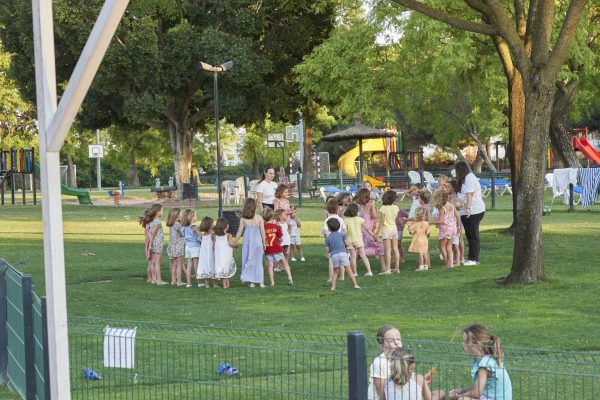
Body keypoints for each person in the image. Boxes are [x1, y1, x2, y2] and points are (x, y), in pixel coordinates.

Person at [447, 324, 512, 400]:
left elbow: (476, 394)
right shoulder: (486, 359)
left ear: (478, 345)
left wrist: (457, 396)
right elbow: (479, 388)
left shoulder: (485, 365)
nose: (463, 344)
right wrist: (461, 391)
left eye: (466, 342)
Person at [454, 161, 485, 265]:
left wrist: (468, 208)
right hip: (467, 211)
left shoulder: (469, 178)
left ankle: (474, 259)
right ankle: (472, 258)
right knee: (470, 234)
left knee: (472, 235)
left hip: (473, 211)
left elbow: (469, 195)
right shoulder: (465, 179)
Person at [234, 198, 266, 288]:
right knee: (258, 261)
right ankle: (260, 282)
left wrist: (235, 241)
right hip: (257, 241)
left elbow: (239, 231)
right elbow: (262, 232)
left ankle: (252, 281)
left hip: (248, 241)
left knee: (248, 259)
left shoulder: (243, 218)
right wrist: (264, 242)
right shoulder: (259, 218)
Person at [354, 188, 385, 271]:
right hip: (368, 229)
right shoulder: (370, 203)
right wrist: (375, 209)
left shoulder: (356, 204)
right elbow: (374, 216)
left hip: (359, 229)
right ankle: (383, 266)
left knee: (359, 246)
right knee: (378, 245)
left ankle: (350, 264)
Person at [368, 325, 403, 400]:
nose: (396, 343)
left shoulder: (404, 359)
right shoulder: (379, 363)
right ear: (382, 346)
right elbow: (381, 394)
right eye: (391, 341)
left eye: (398, 339)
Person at [324, 218, 360, 291]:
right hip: (343, 254)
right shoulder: (342, 235)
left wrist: (331, 250)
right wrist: (349, 246)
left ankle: (333, 287)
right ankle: (355, 285)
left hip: (334, 256)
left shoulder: (328, 238)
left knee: (335, 272)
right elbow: (347, 244)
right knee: (349, 270)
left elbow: (327, 250)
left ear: (329, 228)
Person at [262, 207, 294, 286]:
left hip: (268, 249)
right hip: (277, 248)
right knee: (284, 263)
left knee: (270, 265)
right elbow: (281, 237)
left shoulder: (262, 227)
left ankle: (272, 281)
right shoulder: (276, 226)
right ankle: (290, 277)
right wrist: (279, 241)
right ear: (272, 216)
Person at [343, 202, 376, 276]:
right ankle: (369, 271)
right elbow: (367, 228)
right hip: (359, 240)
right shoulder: (360, 219)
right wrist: (373, 235)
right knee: (363, 255)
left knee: (353, 257)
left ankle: (355, 273)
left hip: (350, 241)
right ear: (357, 211)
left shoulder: (345, 220)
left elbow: (344, 232)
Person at [138, 204, 166, 285]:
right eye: (162, 210)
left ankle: (154, 279)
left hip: (154, 244)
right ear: (157, 212)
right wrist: (150, 245)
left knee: (153, 262)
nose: (162, 212)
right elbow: (153, 234)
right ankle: (159, 280)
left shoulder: (152, 221)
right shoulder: (157, 222)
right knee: (157, 263)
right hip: (157, 244)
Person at [432, 191, 460, 269]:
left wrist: (430, 222)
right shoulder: (451, 205)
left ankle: (446, 263)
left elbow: (441, 220)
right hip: (452, 228)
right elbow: (456, 215)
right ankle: (451, 264)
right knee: (449, 246)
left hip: (445, 229)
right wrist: (458, 226)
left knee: (442, 247)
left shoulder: (442, 207)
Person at [377, 190, 401, 274]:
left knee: (387, 250)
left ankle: (387, 269)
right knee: (395, 249)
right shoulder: (396, 208)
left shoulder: (383, 208)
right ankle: (397, 268)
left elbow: (382, 221)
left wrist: (377, 232)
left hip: (386, 230)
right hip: (394, 229)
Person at [213, 217, 237, 289]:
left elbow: (213, 245)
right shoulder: (228, 235)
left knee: (223, 268)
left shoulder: (215, 236)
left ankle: (227, 283)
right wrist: (236, 245)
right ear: (226, 226)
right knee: (225, 268)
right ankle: (225, 285)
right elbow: (231, 244)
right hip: (226, 255)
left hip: (219, 255)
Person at [181, 209, 201, 288]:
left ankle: (189, 283)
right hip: (195, 247)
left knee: (189, 265)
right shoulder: (194, 226)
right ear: (192, 217)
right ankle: (199, 282)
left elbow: (182, 235)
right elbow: (201, 236)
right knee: (196, 265)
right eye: (195, 215)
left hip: (187, 247)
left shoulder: (184, 227)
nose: (196, 216)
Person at [408, 207, 431, 271]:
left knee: (420, 254)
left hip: (418, 240)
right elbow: (428, 233)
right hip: (425, 240)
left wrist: (409, 228)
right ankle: (426, 265)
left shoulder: (415, 224)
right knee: (425, 253)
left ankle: (421, 266)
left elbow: (411, 232)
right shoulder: (426, 223)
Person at [166, 208, 185, 286]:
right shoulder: (177, 224)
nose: (182, 214)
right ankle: (179, 282)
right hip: (178, 247)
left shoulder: (172, 224)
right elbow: (182, 234)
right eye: (181, 213)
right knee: (179, 264)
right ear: (177, 215)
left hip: (171, 247)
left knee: (173, 264)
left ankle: (173, 280)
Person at [196, 217, 216, 288]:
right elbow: (214, 244)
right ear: (210, 225)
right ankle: (215, 284)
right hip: (210, 253)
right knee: (212, 265)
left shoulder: (203, 235)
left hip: (203, 254)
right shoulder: (212, 234)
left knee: (204, 266)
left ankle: (207, 284)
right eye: (212, 223)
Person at [450, 198, 466, 266]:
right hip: (453, 231)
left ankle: (458, 262)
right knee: (453, 246)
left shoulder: (456, 213)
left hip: (456, 232)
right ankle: (456, 259)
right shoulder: (454, 212)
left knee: (456, 246)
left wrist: (457, 230)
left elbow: (458, 224)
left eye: (451, 204)